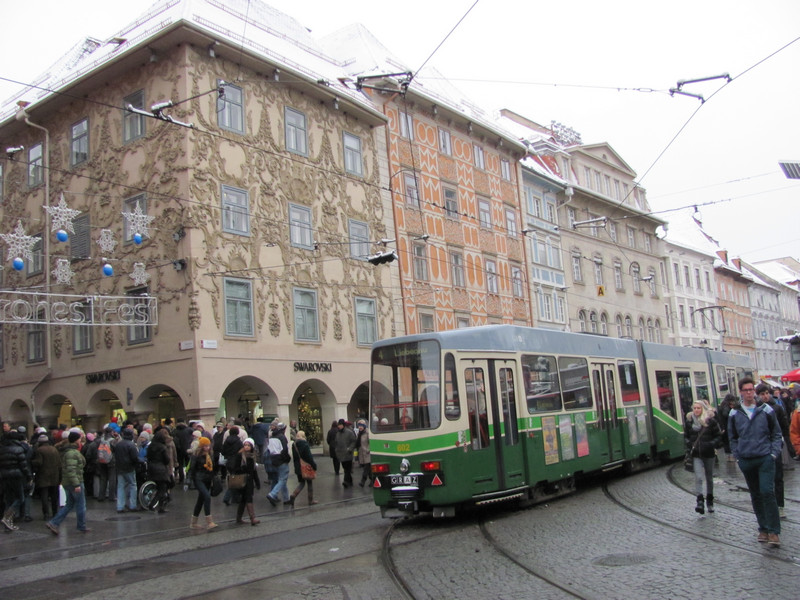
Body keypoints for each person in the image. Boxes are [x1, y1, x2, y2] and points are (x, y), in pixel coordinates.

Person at [728, 377, 783, 547]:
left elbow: (776, 433)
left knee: (767, 492)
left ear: (754, 391)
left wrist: (773, 453)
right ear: (741, 392)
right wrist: (738, 456)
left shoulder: (766, 410)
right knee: (756, 494)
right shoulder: (734, 413)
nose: (749, 393)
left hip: (765, 457)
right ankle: (763, 528)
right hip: (746, 459)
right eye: (746, 390)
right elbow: (732, 437)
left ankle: (774, 531)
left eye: (751, 389)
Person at [46, 431, 89, 535]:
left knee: (69, 504)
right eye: (79, 438)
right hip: (75, 481)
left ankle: (54, 523)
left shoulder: (69, 451)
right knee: (80, 504)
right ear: (76, 440)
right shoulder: (72, 453)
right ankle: (81, 526)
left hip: (68, 481)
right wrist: (76, 484)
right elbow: (71, 469)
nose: (80, 440)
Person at [758, 383, 790, 519]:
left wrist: (784, 442)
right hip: (761, 448)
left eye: (767, 393)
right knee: (764, 478)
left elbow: (784, 426)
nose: (765, 396)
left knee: (778, 477)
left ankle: (780, 505)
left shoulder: (777, 408)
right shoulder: (756, 409)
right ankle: (767, 505)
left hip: (775, 446)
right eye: (762, 394)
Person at [684, 400, 721, 514]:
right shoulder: (689, 421)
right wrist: (689, 444)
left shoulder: (711, 421)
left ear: (703, 409)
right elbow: (686, 436)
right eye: (694, 408)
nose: (696, 410)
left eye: (698, 408)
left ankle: (710, 501)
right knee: (699, 477)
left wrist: (711, 444)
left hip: (709, 454)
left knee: (709, 478)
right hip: (696, 455)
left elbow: (718, 436)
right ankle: (700, 501)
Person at [0, 430, 32, 531]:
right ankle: (7, 517)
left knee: (9, 499)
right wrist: (29, 477)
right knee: (20, 498)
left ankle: (8, 523)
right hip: (16, 476)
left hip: (4, 476)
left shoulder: (2, 449)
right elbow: (23, 466)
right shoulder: (18, 449)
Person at [187, 437, 217, 530]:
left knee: (201, 500)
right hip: (199, 479)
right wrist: (188, 480)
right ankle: (209, 522)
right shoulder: (196, 455)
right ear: (201, 446)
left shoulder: (210, 454)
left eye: (208, 446)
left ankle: (193, 523)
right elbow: (191, 468)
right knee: (207, 497)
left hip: (208, 479)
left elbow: (213, 467)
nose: (207, 448)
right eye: (205, 446)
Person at [229, 438, 260, 525]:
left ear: (252, 447)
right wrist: (242, 469)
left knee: (244, 499)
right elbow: (235, 468)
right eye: (245, 445)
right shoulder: (240, 455)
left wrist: (257, 482)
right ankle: (252, 518)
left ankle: (239, 518)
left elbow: (254, 470)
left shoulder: (252, 456)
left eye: (248, 445)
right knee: (248, 498)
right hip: (242, 480)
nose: (246, 447)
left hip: (249, 481)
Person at [31, 434, 61, 521]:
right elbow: (59, 464)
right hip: (54, 475)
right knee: (54, 495)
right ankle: (55, 512)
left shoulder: (39, 450)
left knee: (44, 495)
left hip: (43, 475)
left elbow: (39, 462)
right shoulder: (54, 449)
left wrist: (31, 462)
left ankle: (46, 513)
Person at [114, 429, 141, 513]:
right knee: (133, 485)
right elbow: (135, 458)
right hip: (129, 468)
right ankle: (133, 505)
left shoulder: (118, 444)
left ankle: (120, 506)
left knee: (120, 487)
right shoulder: (131, 445)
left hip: (119, 468)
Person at [287, 430, 317, 506]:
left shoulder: (294, 445)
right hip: (306, 467)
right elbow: (309, 457)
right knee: (309, 483)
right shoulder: (305, 444)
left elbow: (295, 457)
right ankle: (310, 500)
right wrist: (314, 465)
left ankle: (293, 495)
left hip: (298, 467)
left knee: (302, 483)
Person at [146, 428, 172, 513]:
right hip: (161, 469)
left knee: (157, 487)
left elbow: (148, 457)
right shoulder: (163, 447)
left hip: (152, 468)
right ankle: (156, 505)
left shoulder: (150, 446)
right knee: (162, 488)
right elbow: (167, 460)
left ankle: (159, 506)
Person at [266, 422, 292, 506]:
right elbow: (284, 450)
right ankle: (272, 494)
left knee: (281, 479)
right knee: (283, 479)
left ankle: (286, 498)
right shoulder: (282, 437)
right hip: (281, 460)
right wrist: (287, 459)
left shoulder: (272, 437)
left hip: (273, 459)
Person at [334, 419, 357, 488]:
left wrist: (350, 449)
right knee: (345, 468)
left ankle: (345, 481)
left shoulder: (349, 432)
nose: (339, 426)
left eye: (340, 425)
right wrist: (336, 450)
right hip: (341, 454)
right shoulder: (338, 434)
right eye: (339, 425)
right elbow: (336, 442)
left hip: (348, 454)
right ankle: (350, 481)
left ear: (343, 425)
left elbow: (354, 441)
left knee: (347, 469)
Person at [356, 419, 373, 487]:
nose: (360, 427)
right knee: (368, 469)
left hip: (367, 453)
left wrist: (368, 449)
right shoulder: (359, 434)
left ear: (364, 426)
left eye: (361, 426)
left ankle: (363, 481)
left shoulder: (367, 433)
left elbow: (370, 442)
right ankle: (372, 480)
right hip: (361, 453)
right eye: (359, 426)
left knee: (366, 468)